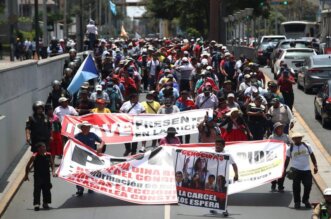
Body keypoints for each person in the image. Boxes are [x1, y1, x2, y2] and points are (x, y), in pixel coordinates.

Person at [284, 132, 318, 209]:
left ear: (301, 138)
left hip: (306, 170)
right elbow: (287, 159)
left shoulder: (307, 146)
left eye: (299, 138)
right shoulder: (290, 148)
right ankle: (297, 202)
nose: (297, 139)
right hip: (295, 170)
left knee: (308, 185)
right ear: (293, 139)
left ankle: (305, 200)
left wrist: (315, 165)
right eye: (295, 138)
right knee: (296, 187)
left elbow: (312, 155)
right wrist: (284, 169)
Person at [74, 121, 105, 196]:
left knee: (91, 172)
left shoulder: (93, 135)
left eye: (88, 127)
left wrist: (100, 146)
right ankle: (80, 189)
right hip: (81, 157)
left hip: (91, 157)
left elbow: (102, 141)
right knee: (80, 173)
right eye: (85, 127)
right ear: (82, 128)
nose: (86, 128)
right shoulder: (77, 136)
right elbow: (71, 144)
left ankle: (90, 187)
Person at [210, 138, 239, 216]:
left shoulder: (227, 155)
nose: (218, 146)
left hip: (223, 178)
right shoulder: (210, 153)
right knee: (214, 193)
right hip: (213, 178)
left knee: (223, 194)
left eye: (220, 145)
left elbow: (234, 165)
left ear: (224, 146)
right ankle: (213, 207)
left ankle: (224, 210)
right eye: (217, 144)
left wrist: (236, 174)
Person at [24, 142, 56, 211]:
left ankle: (45, 203)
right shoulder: (34, 156)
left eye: (44, 147)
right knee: (37, 190)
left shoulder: (48, 155)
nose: (44, 148)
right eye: (42, 147)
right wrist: (26, 175)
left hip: (46, 176)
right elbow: (27, 166)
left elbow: (52, 164)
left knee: (46, 189)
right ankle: (36, 204)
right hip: (38, 176)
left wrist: (53, 172)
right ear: (38, 149)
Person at [268, 122, 292, 192]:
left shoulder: (286, 136)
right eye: (279, 128)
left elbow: (291, 144)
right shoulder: (271, 137)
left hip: (284, 157)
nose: (281, 129)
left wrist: (289, 147)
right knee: (273, 171)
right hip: (274, 157)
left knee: (283, 171)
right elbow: (267, 146)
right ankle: (273, 183)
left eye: (281, 128)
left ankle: (280, 185)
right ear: (275, 129)